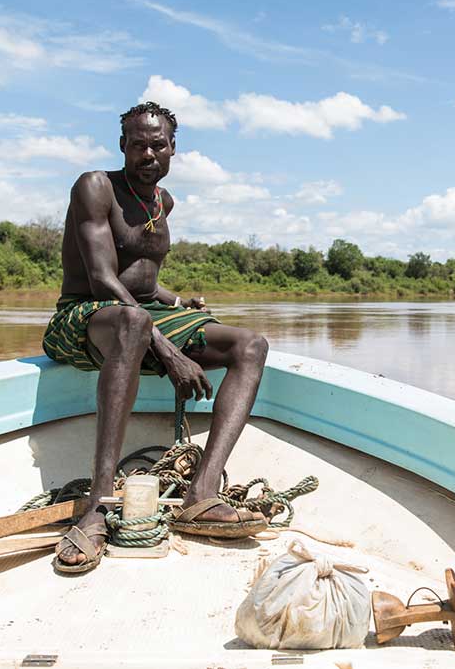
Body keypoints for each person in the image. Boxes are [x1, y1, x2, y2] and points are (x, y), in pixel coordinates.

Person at [42, 100, 269, 573]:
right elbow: (105, 278)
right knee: (133, 323)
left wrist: (175, 302)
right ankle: (97, 508)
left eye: (158, 145)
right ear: (123, 146)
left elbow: (142, 280)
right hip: (86, 314)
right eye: (139, 145)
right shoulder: (96, 187)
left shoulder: (163, 202)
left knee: (250, 345)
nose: (149, 154)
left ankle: (201, 494)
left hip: (142, 314)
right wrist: (167, 352)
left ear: (172, 149)